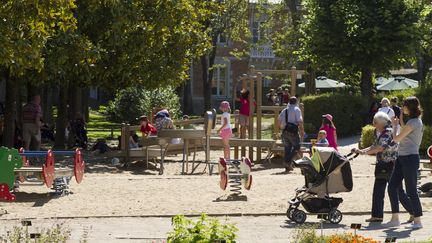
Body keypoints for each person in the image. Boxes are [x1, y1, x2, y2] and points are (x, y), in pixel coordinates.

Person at [354, 112, 413, 223]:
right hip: (383, 165)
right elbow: (374, 145)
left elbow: (380, 148)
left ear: (380, 123)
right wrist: (362, 151)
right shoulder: (382, 133)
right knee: (378, 191)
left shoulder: (387, 133)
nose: (373, 124)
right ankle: (377, 216)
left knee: (398, 191)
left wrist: (366, 153)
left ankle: (413, 212)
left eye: (374, 122)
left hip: (390, 165)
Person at [386, 97, 424, 229]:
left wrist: (394, 126)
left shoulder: (414, 122)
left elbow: (397, 138)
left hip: (410, 159)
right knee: (392, 187)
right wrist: (400, 118)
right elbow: (405, 129)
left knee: (411, 190)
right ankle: (395, 218)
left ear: (410, 107)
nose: (402, 107)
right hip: (402, 158)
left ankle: (418, 221)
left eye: (404, 106)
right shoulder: (413, 122)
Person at [278, 96, 304, 173]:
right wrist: (302, 131)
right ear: (296, 102)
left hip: (285, 131)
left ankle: (287, 167)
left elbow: (278, 120)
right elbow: (300, 121)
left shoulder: (284, 110)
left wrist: (281, 128)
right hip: (293, 131)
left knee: (287, 148)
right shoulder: (297, 109)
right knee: (297, 147)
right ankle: (287, 161)